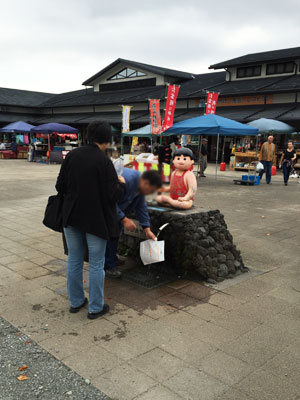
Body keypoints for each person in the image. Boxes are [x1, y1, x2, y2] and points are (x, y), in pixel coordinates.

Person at [56, 120, 126, 319]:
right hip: (96, 220)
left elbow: (60, 186)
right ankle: (96, 307)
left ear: (88, 136)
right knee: (96, 264)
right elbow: (114, 195)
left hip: (71, 217)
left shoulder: (72, 155)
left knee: (74, 260)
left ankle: (76, 302)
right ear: (107, 139)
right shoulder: (104, 161)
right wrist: (122, 184)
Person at [105, 169, 162, 278]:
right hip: (105, 211)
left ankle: (112, 258)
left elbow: (141, 207)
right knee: (109, 236)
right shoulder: (128, 180)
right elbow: (109, 201)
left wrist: (147, 228)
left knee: (115, 234)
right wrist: (124, 219)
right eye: (151, 190)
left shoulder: (141, 187)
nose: (150, 193)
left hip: (116, 213)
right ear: (146, 183)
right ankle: (108, 266)